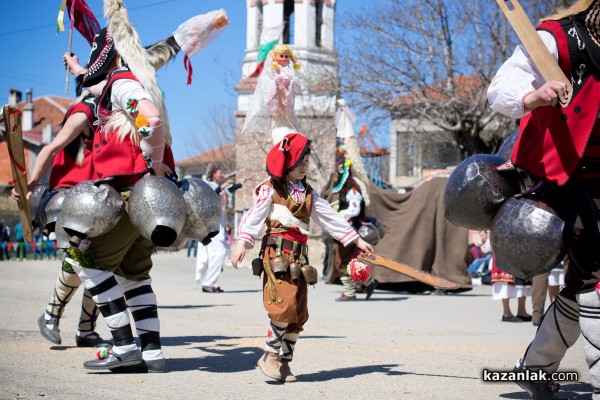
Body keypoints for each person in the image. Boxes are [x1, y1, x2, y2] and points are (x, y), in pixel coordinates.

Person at [487, 0, 600, 397]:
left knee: (581, 283)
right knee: (595, 279)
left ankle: (536, 366)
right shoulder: (557, 37)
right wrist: (532, 97)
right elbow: (500, 88)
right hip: (568, 175)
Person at [230, 132, 374, 382]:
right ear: (287, 163)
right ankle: (270, 355)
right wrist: (242, 241)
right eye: (300, 161)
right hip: (277, 255)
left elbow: (329, 217)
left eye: (307, 161)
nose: (304, 166)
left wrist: (356, 239)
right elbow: (253, 216)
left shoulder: (308, 192)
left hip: (300, 258)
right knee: (282, 305)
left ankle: (285, 363)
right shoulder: (270, 189)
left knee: (298, 312)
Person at [331, 145, 378, 301]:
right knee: (349, 261)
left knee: (342, 260)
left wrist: (340, 215)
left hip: (351, 230)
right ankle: (368, 282)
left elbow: (354, 209)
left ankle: (351, 292)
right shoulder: (347, 188)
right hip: (347, 229)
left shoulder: (352, 188)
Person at [196, 163, 245, 293]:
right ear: (213, 173)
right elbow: (210, 195)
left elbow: (227, 191)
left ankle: (211, 282)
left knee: (217, 254)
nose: (222, 174)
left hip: (220, 222)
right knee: (220, 253)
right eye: (220, 172)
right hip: (211, 224)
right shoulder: (207, 185)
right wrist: (222, 186)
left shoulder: (219, 187)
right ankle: (208, 282)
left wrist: (240, 184)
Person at [242, 44, 301, 144]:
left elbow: (290, 83)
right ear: (275, 57)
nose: (284, 59)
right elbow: (268, 83)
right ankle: (281, 141)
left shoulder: (289, 70)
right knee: (277, 123)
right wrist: (278, 85)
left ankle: (291, 139)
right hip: (276, 101)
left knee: (288, 122)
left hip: (286, 102)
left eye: (286, 56)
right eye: (281, 56)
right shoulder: (272, 70)